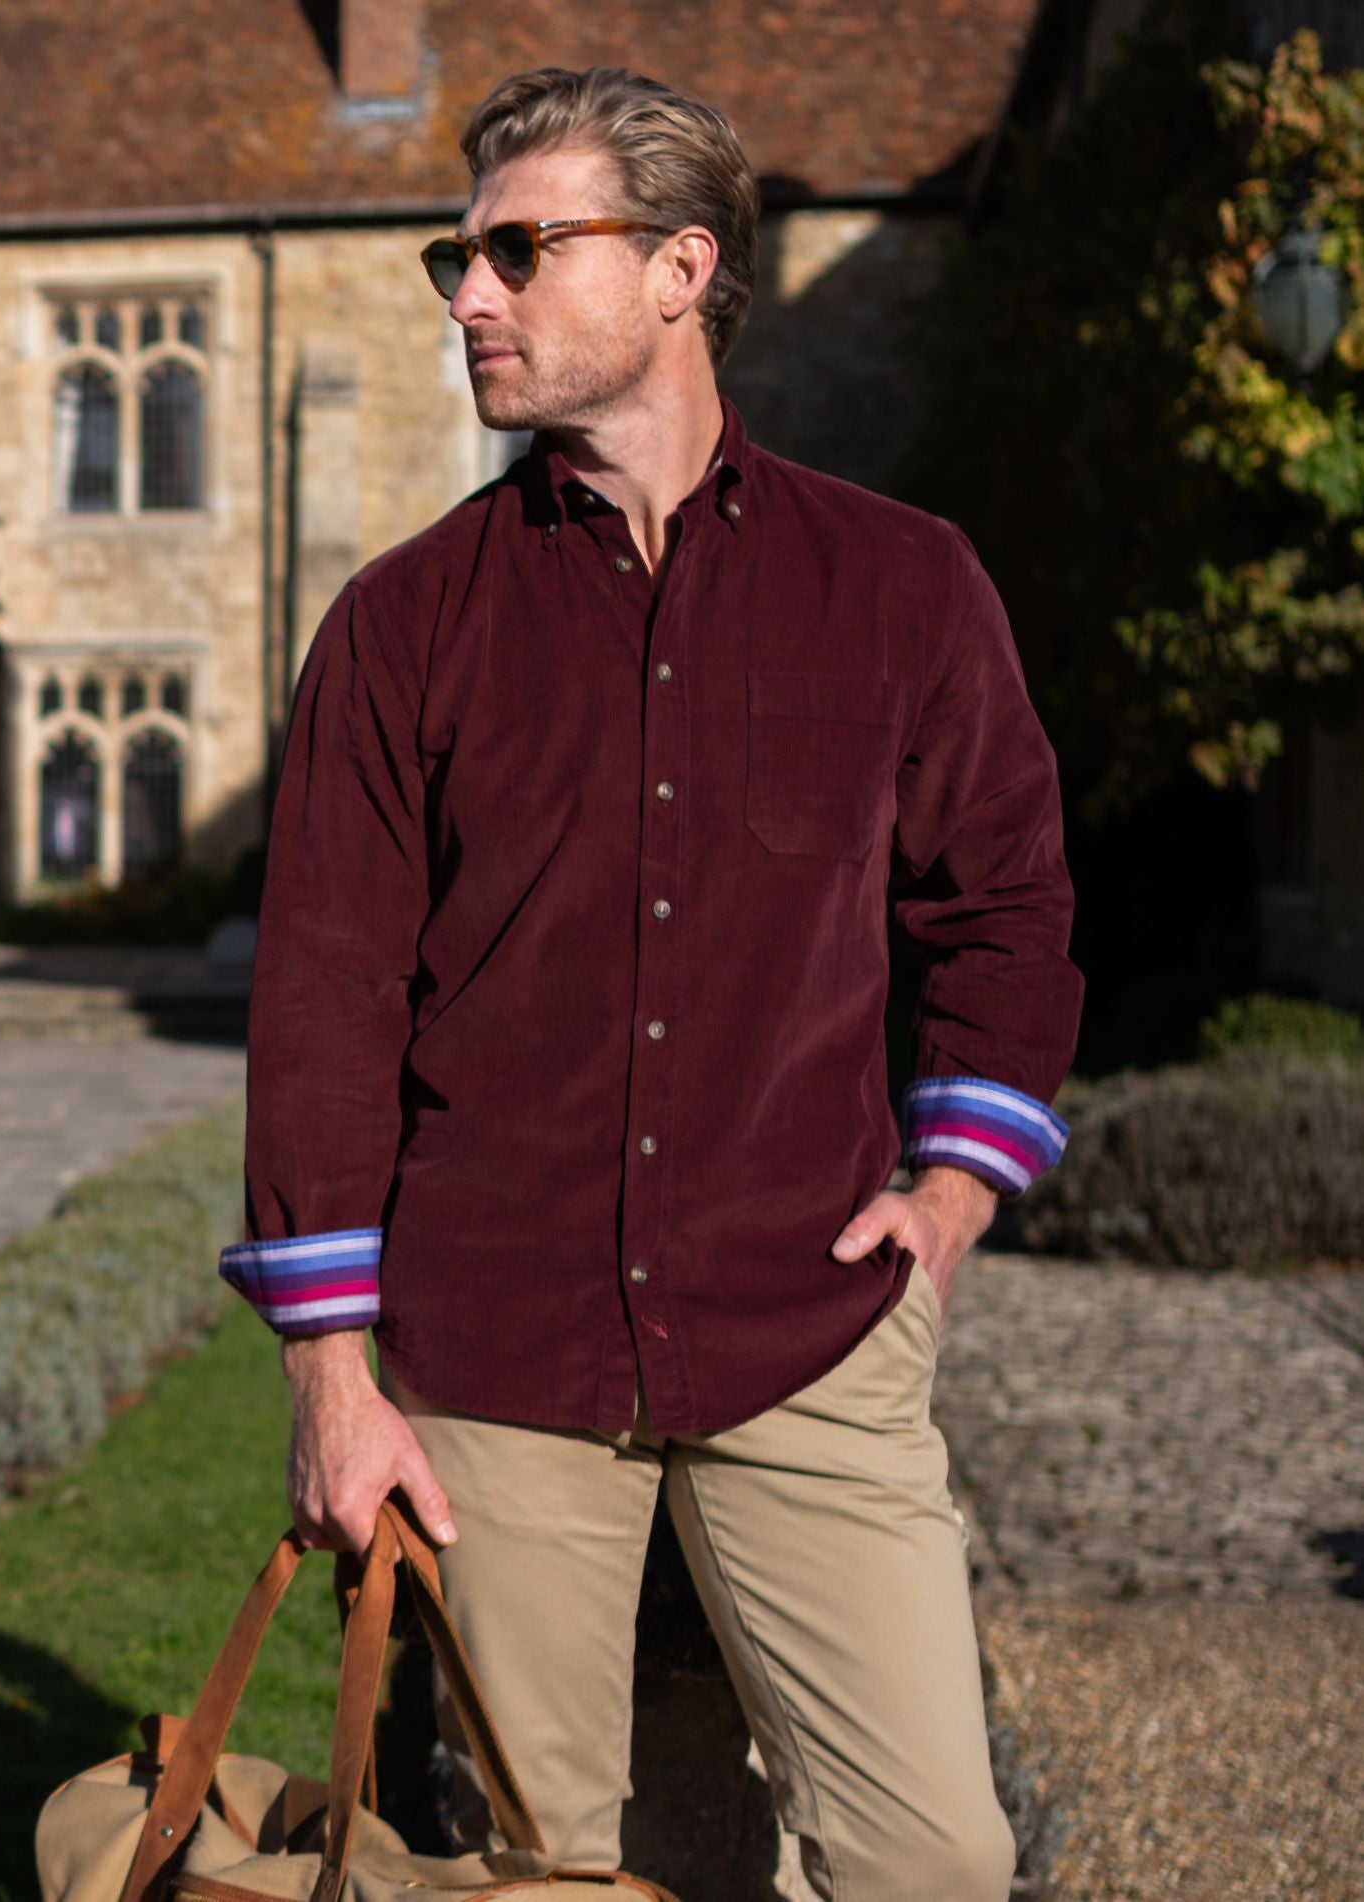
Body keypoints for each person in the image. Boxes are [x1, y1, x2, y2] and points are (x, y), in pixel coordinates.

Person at [218, 64, 1085, 1902]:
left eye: (521, 252)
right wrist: (328, 1371)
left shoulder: (907, 588)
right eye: (460, 256)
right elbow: (324, 1003)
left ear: (685, 268)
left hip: (812, 1330)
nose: (470, 294)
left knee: (935, 1857)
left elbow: (1004, 912)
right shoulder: (401, 625)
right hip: (499, 1357)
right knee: (538, 1880)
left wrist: (949, 1195)